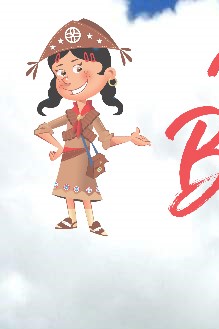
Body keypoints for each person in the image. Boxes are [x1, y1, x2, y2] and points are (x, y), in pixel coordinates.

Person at [29, 18, 150, 234]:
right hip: (68, 157)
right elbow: (41, 129)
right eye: (60, 72)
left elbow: (106, 140)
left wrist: (130, 139)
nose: (67, 79)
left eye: (78, 68)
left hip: (84, 160)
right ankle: (72, 219)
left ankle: (92, 222)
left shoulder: (93, 116)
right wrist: (58, 147)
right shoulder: (68, 114)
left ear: (108, 75)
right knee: (68, 193)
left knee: (85, 194)